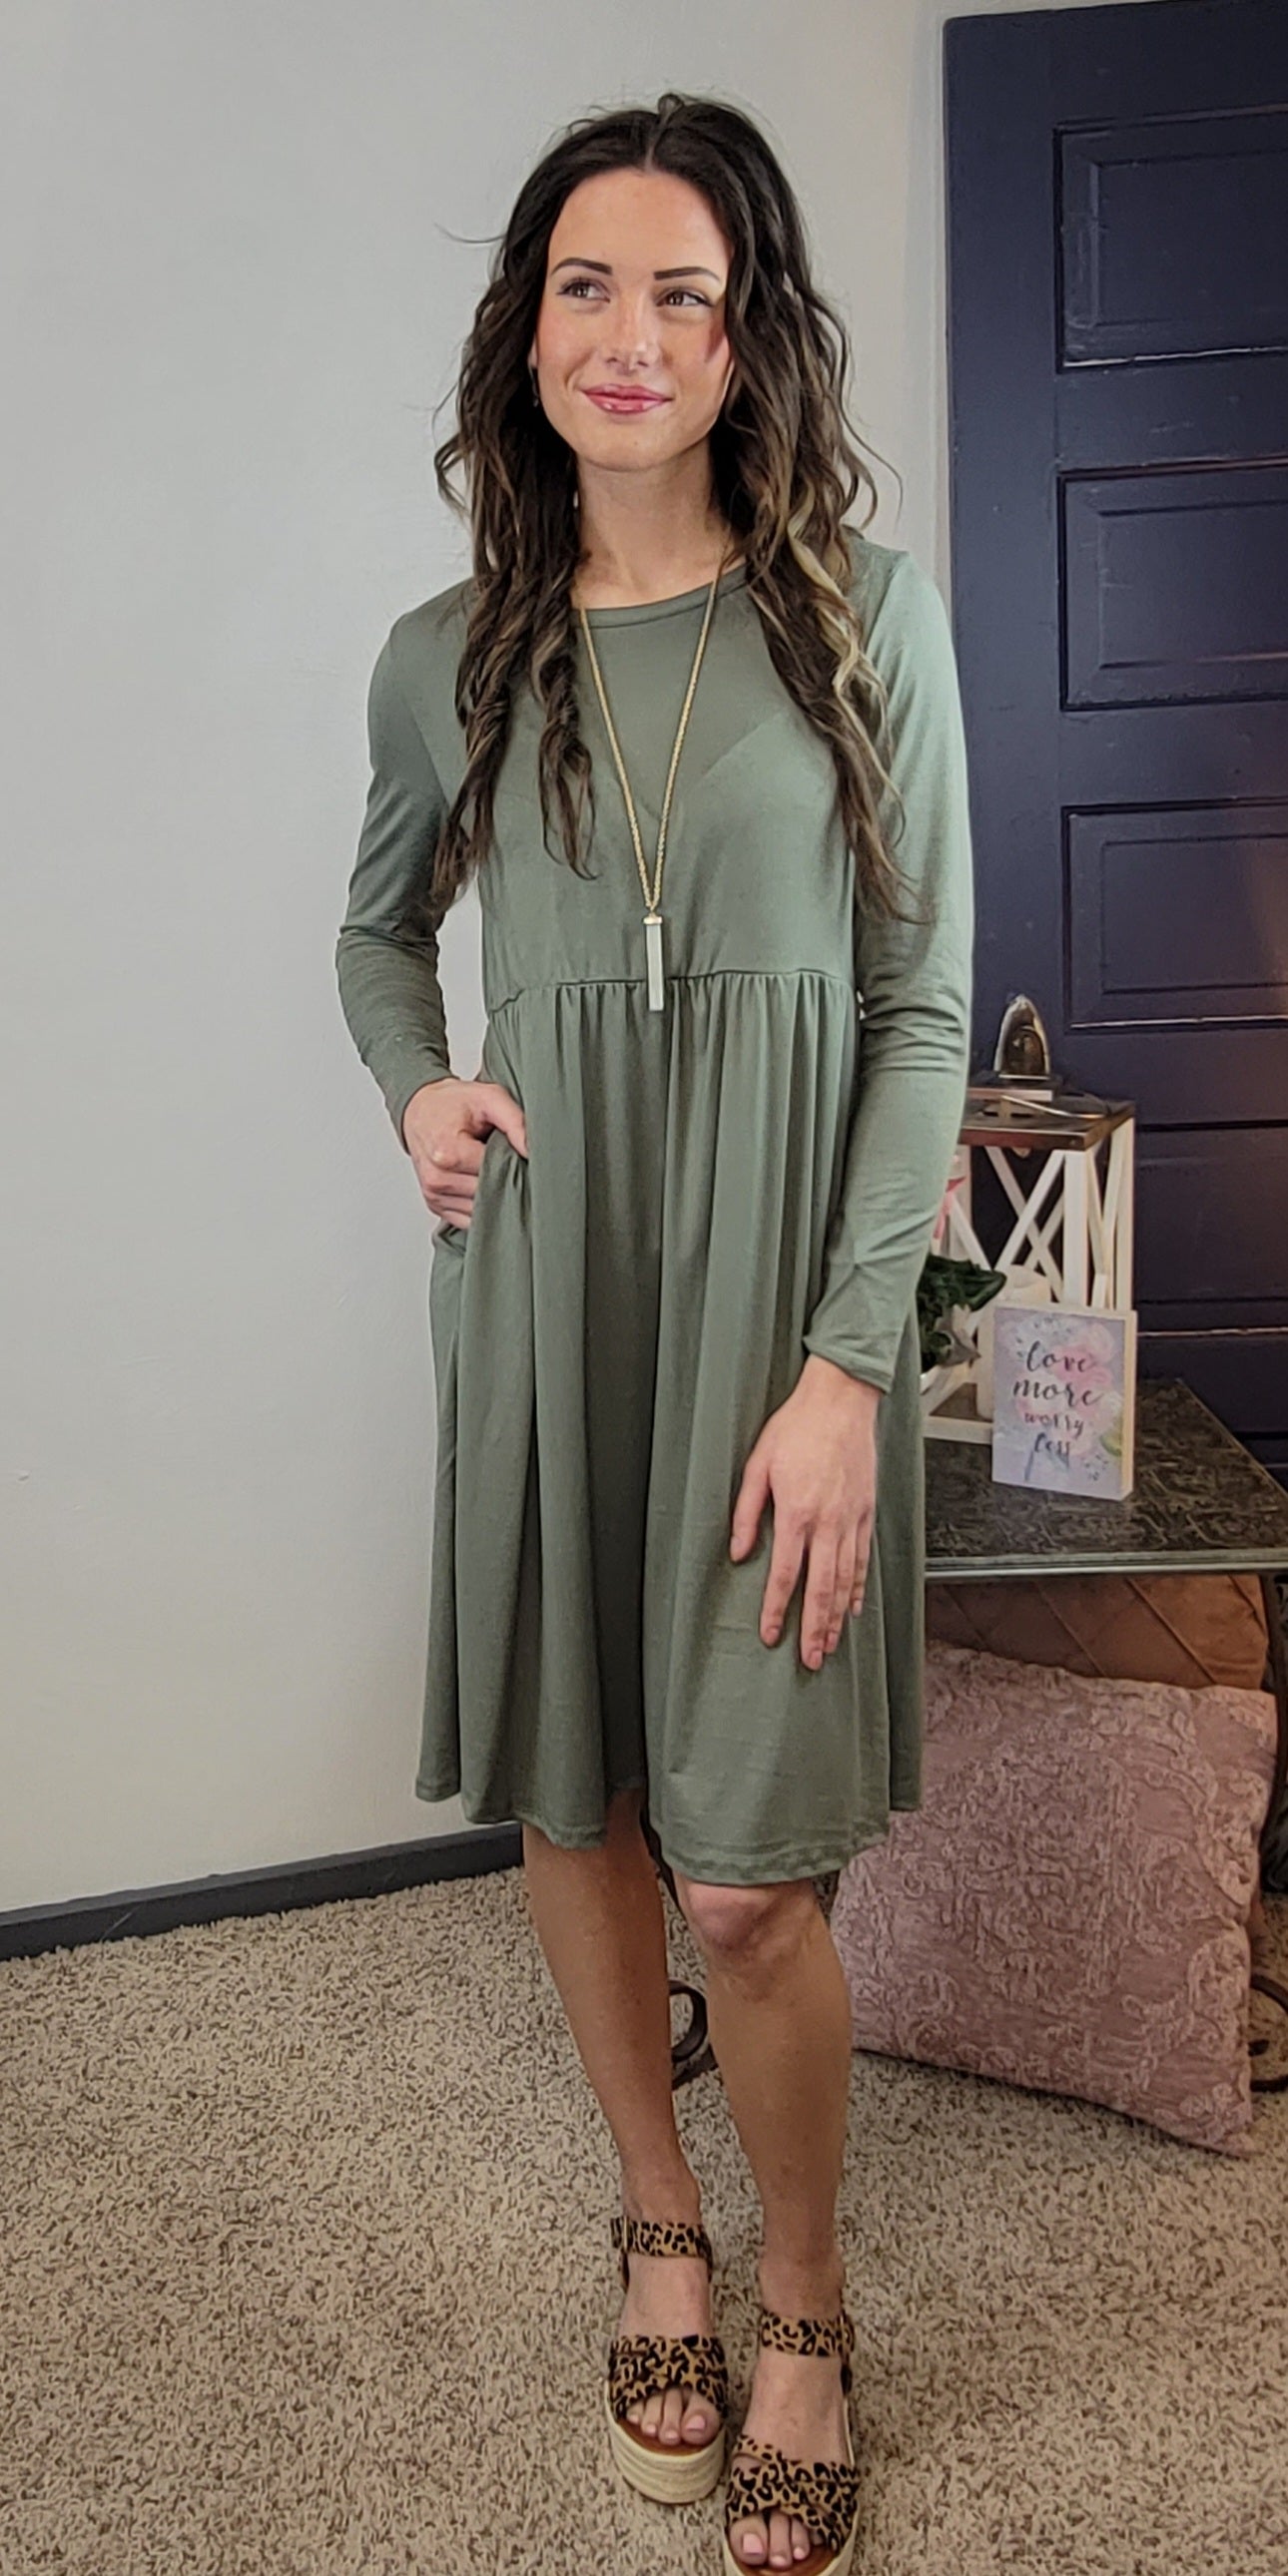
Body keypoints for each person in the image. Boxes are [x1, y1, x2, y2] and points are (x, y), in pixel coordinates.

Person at [334, 90, 973, 2576]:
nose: (629, 335)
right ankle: (659, 2223)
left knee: (748, 1887)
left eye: (680, 291)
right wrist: (421, 1088)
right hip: (548, 1288)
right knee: (579, 1793)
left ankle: (808, 2294)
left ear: (745, 333)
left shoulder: (867, 614)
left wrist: (847, 1364)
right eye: (583, 287)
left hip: (778, 1316)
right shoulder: (444, 662)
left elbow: (916, 1007)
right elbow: (376, 934)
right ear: (526, 336)